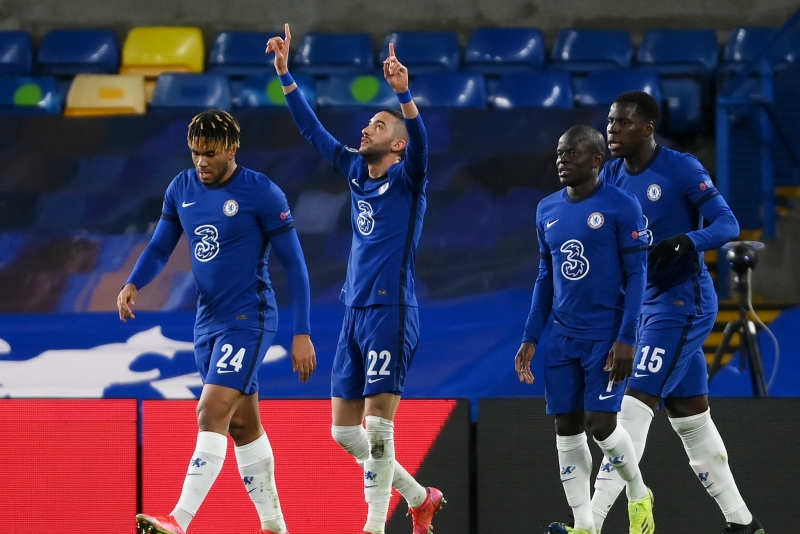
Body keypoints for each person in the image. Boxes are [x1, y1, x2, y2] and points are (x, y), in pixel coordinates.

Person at [266, 24, 443, 534]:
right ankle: (419, 497)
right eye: (368, 123)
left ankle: (373, 527)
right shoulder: (353, 170)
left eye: (378, 126)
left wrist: (403, 94)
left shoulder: (409, 180)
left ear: (398, 145)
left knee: (379, 426)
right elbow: (312, 131)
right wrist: (285, 74)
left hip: (391, 310)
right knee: (344, 433)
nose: (366, 130)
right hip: (354, 310)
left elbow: (423, 143)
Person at [118, 109, 316, 534]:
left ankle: (179, 519)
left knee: (210, 411)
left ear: (232, 149)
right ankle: (275, 525)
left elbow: (295, 264)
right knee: (244, 425)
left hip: (249, 318)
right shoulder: (181, 187)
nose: (201, 162)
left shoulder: (262, 192)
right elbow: (160, 248)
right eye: (195, 153)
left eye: (209, 153)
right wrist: (134, 282)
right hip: (206, 322)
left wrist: (302, 332)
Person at [590, 91, 764, 534]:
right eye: (610, 121)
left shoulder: (681, 168)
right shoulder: (611, 174)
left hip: (682, 301)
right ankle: (743, 524)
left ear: (648, 128)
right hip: (641, 306)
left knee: (631, 406)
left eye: (624, 122)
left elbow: (727, 224)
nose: (612, 129)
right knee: (691, 418)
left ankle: (588, 522)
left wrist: (687, 241)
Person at [515, 125, 655, 534]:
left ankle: (639, 493)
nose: (562, 159)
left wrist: (627, 337)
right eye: (560, 152)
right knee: (566, 426)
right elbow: (546, 276)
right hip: (563, 337)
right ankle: (584, 525)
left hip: (606, 335)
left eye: (572, 153)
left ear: (597, 160)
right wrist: (531, 336)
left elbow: (637, 273)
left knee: (601, 424)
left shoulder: (621, 205)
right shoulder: (546, 209)